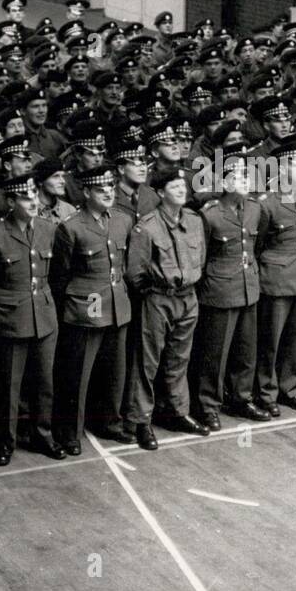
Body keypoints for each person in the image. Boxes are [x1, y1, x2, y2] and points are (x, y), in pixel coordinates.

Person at [0, 175, 63, 463]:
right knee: (8, 387)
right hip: (10, 317)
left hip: (44, 316)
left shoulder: (49, 229)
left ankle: (42, 435)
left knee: (44, 383)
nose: (33, 201)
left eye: (34, 195)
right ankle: (5, 441)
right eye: (25, 197)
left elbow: (58, 275)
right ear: (11, 202)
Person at [50, 164, 135, 452]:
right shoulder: (71, 227)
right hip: (86, 308)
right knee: (77, 376)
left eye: (111, 187)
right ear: (86, 192)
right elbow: (60, 276)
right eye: (101, 189)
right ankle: (69, 432)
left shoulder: (123, 220)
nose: (109, 192)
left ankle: (110, 422)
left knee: (115, 372)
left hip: (116, 305)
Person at [123, 167, 210, 449]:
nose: (182, 190)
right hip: (158, 298)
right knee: (147, 362)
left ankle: (177, 411)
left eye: (183, 186)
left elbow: (201, 260)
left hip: (188, 297)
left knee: (178, 359)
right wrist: (155, 294)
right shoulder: (146, 226)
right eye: (174, 187)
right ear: (160, 193)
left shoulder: (195, 221)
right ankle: (140, 420)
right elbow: (135, 272)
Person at [192, 151, 268, 425]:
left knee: (246, 350)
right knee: (215, 354)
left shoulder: (255, 208)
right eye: (238, 176)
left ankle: (241, 398)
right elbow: (202, 256)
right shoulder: (210, 215)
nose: (245, 180)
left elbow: (255, 247)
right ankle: (208, 405)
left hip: (248, 286)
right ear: (224, 183)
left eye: (247, 175)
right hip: (220, 290)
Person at [253, 134, 296, 414]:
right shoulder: (266, 203)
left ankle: (289, 389)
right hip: (276, 279)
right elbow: (258, 245)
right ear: (280, 168)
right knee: (271, 342)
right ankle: (266, 393)